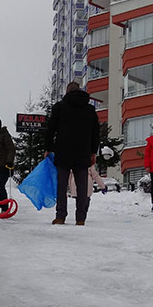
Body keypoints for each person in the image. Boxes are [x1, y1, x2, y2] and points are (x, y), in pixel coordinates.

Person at [44, 82, 100, 225]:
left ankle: (60, 216)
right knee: (81, 187)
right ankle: (81, 218)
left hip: (63, 151)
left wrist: (48, 148)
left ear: (67, 92)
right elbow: (96, 133)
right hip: (83, 152)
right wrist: (93, 151)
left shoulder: (60, 107)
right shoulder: (89, 109)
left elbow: (51, 129)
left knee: (61, 185)